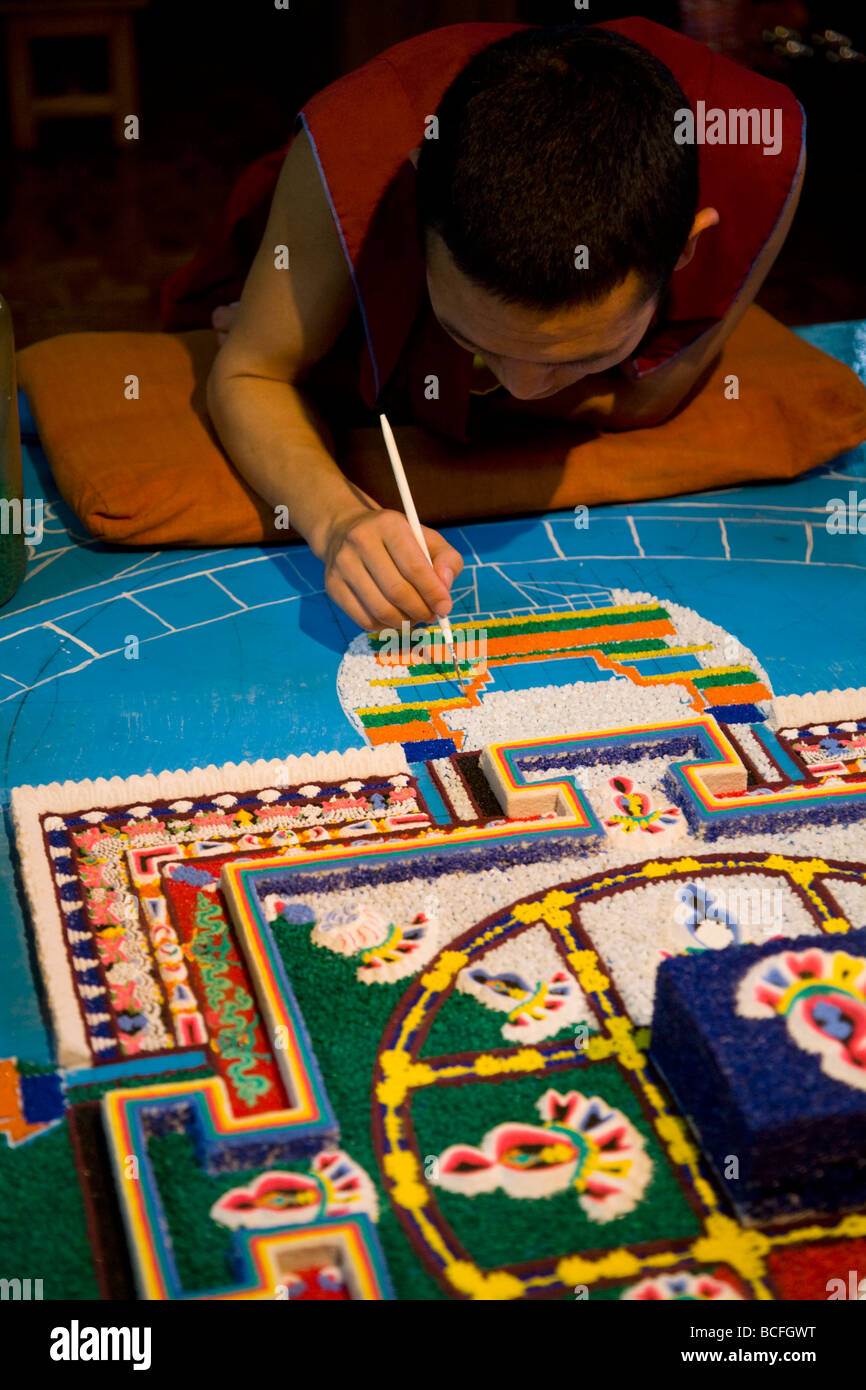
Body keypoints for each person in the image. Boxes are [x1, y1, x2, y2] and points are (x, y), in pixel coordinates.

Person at [171, 20, 804, 631]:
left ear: (685, 253)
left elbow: (655, 395)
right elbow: (252, 371)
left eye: (580, 357)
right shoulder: (358, 142)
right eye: (470, 336)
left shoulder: (760, 142)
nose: (525, 390)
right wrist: (337, 521)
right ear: (416, 207)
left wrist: (355, 368)